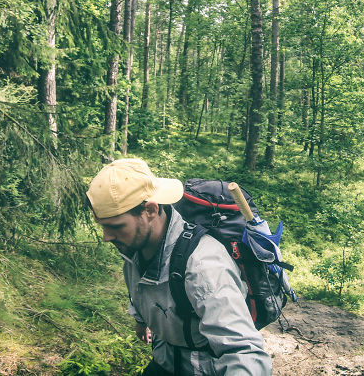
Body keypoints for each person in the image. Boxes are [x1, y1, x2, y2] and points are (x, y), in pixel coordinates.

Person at [87, 158, 272, 375]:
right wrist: (140, 320)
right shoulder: (134, 245)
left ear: (151, 210)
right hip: (165, 361)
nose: (106, 237)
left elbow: (245, 352)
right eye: (103, 226)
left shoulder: (204, 266)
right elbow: (140, 287)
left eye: (115, 226)